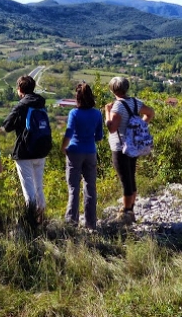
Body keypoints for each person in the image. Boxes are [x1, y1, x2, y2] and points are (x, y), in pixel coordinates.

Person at [104, 76, 154, 224]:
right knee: (130, 176)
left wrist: (107, 111)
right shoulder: (135, 102)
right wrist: (139, 125)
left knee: (125, 179)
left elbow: (112, 128)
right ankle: (130, 208)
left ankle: (126, 212)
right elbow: (150, 113)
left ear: (112, 89)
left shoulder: (117, 107)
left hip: (120, 147)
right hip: (133, 145)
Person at [3, 75, 48, 217]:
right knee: (38, 187)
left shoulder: (21, 105)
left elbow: (7, 126)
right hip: (41, 149)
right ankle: (41, 218)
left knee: (28, 191)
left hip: (24, 152)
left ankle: (31, 223)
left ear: (20, 89)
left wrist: (18, 122)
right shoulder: (41, 102)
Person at [61, 82, 104, 229]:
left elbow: (69, 132)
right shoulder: (97, 113)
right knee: (90, 187)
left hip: (74, 151)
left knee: (74, 187)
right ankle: (91, 223)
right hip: (90, 152)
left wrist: (63, 146)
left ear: (77, 97)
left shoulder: (74, 113)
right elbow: (99, 136)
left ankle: (71, 222)